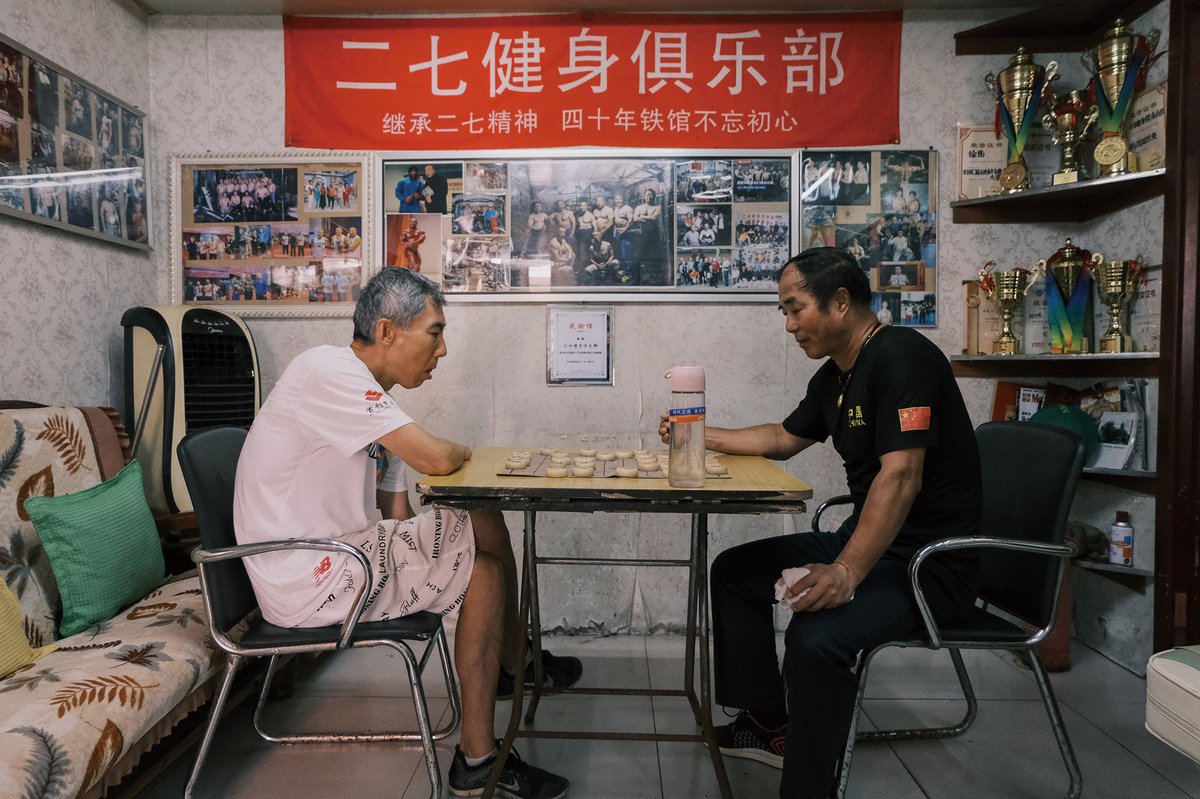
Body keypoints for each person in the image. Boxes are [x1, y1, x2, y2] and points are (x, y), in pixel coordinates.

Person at [234, 268, 576, 799]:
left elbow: (397, 514)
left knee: (478, 520)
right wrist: (466, 454)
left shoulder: (374, 404)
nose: (442, 351)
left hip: (342, 558)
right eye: (435, 333)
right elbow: (437, 458)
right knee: (480, 555)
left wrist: (436, 553)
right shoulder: (327, 370)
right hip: (306, 574)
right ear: (388, 331)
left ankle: (510, 664)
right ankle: (483, 747)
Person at [658, 248, 981, 798]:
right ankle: (765, 724)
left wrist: (847, 570)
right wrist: (696, 431)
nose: (788, 326)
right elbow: (783, 439)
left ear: (839, 302)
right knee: (736, 571)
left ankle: (808, 788)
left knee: (815, 638)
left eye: (795, 308)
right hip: (874, 541)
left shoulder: (903, 357)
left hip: (932, 564)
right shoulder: (836, 374)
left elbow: (901, 476)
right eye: (783, 311)